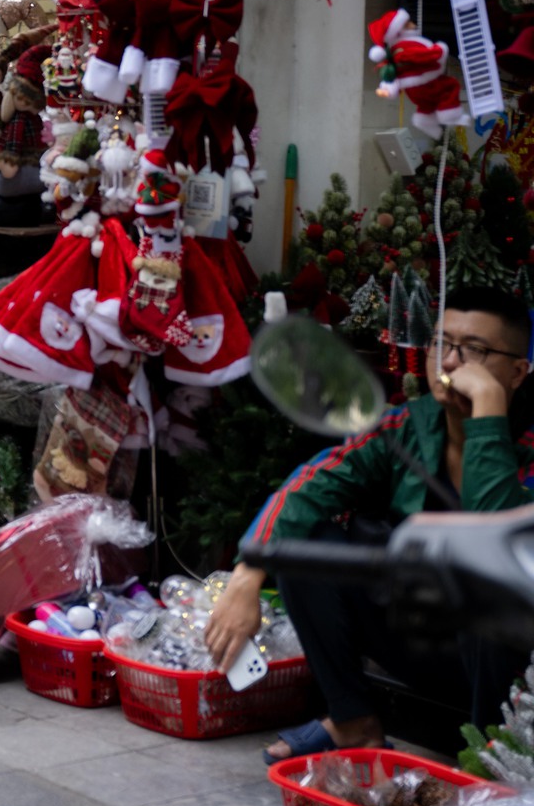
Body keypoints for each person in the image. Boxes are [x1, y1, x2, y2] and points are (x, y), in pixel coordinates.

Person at [205, 285, 534, 760]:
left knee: (490, 591)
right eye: (442, 344)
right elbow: (308, 486)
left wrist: (487, 413)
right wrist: (247, 574)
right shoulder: (406, 427)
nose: (452, 363)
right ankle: (352, 721)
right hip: (422, 635)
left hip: (509, 666)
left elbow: (495, 541)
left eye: (476, 351)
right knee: (313, 541)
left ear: (519, 372)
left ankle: (492, 762)